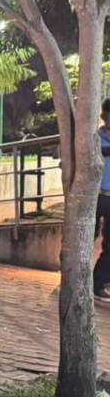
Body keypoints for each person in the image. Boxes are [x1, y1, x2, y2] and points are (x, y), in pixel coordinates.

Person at [94, 100, 110, 302]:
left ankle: (98, 283)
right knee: (87, 238)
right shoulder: (95, 138)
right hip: (96, 196)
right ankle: (73, 279)